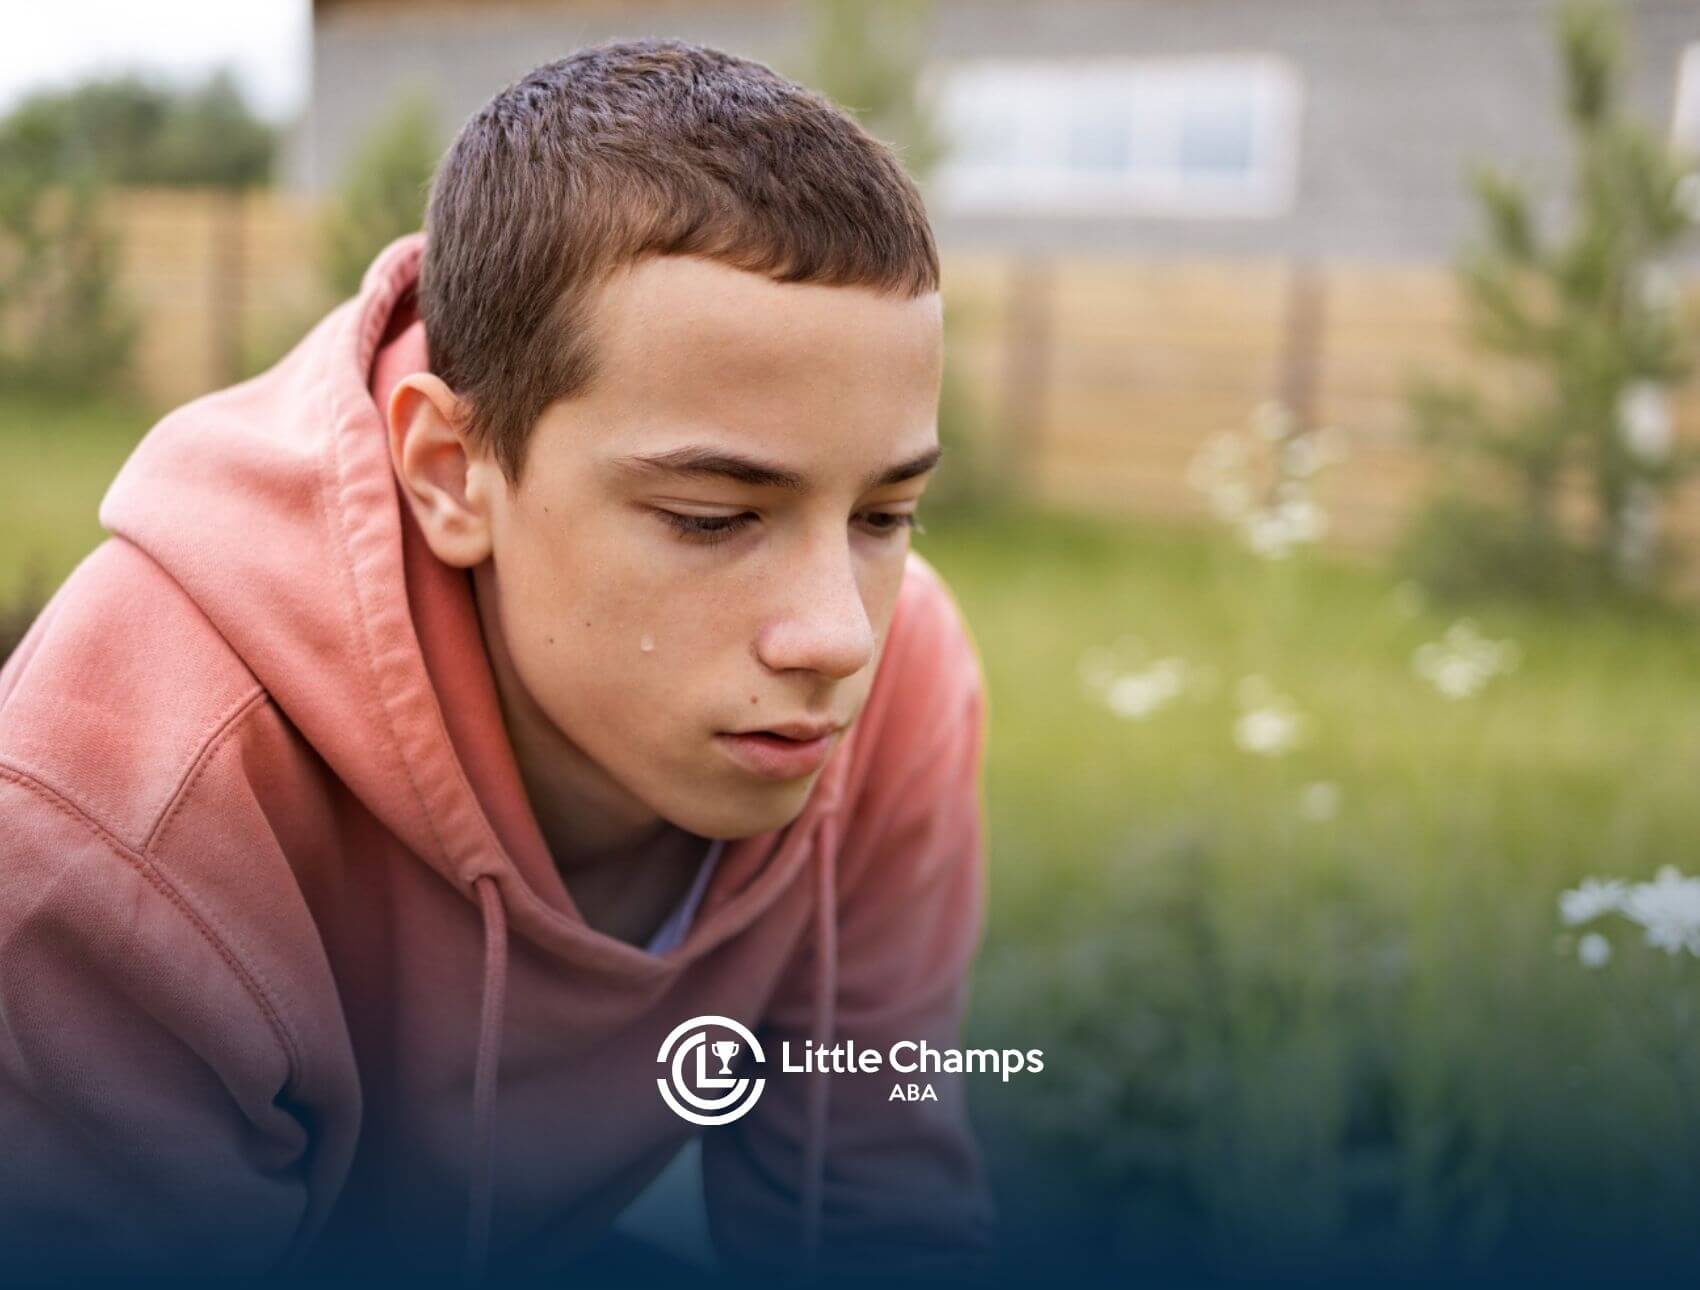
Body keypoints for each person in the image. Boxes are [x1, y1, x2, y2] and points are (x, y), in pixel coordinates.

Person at [0, 37, 997, 1288]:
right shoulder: (124, 816)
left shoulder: (900, 679)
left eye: (882, 517)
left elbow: (874, 1213)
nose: (837, 638)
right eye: (710, 515)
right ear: (449, 474)